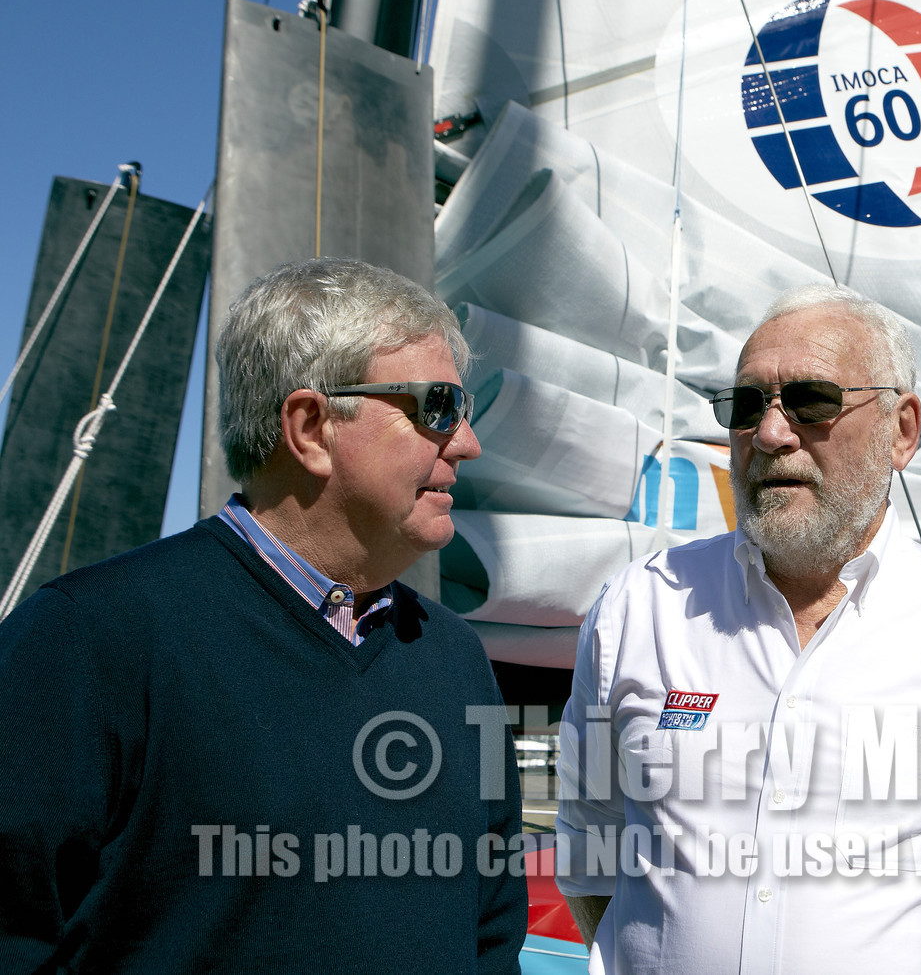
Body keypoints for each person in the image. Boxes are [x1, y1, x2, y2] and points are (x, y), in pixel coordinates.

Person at [555, 285, 921, 974]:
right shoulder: (636, 609)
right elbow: (590, 848)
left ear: (901, 431)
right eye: (747, 405)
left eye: (810, 400)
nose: (770, 433)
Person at [0, 259, 527, 972]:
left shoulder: (457, 660)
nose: (467, 443)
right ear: (310, 428)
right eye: (439, 407)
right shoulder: (83, 642)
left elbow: (492, 934)